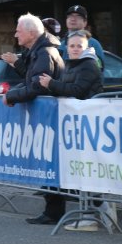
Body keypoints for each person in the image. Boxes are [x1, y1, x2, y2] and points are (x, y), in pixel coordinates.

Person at [27, 30, 103, 227]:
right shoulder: (70, 64)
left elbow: (77, 91)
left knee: (86, 169)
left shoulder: (89, 65)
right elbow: (64, 88)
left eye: (79, 46)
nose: (75, 49)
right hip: (69, 124)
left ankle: (93, 212)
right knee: (56, 165)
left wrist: (51, 83)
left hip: (86, 125)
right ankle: (53, 212)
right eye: (72, 46)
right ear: (67, 48)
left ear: (86, 48)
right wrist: (52, 86)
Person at [3, 14, 63, 106]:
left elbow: (38, 87)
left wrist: (11, 96)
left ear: (31, 34)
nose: (16, 35)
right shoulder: (37, 52)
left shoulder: (44, 53)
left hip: (48, 111)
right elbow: (30, 81)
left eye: (19, 31)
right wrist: (11, 94)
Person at [60, 5, 105, 70]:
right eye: (70, 16)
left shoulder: (93, 43)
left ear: (85, 22)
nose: (73, 19)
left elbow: (99, 69)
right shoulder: (61, 43)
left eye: (78, 17)